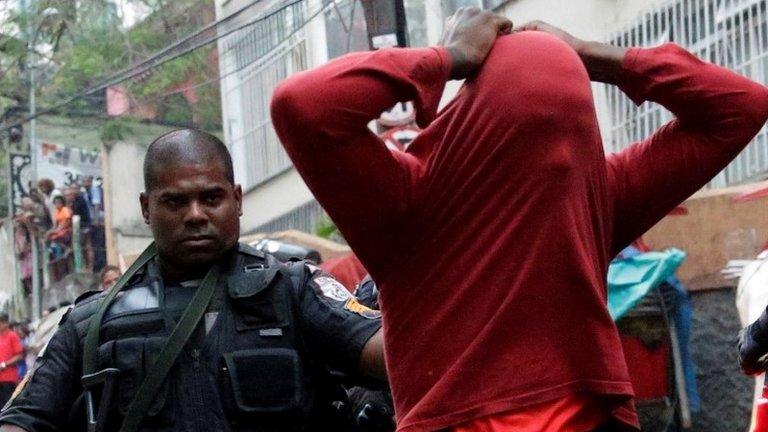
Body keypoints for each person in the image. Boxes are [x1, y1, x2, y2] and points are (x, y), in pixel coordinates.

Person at [271, 7, 768, 431]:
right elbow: (738, 107)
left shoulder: (584, 197)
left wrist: (447, 59)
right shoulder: (591, 197)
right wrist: (601, 58)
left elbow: (303, 105)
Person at [0, 129, 385, 432]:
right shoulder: (92, 322)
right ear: (146, 208)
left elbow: (387, 355)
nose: (196, 214)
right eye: (175, 202)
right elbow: (25, 418)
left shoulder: (293, 289)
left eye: (211, 198)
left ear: (237, 199)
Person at [65, 185, 95, 272]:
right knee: (85, 247)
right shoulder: (77, 200)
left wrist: (69, 204)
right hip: (81, 226)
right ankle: (86, 266)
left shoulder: (79, 200)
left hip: (83, 226)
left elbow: (72, 212)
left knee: (85, 246)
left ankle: (88, 267)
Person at [0, 314, 23, 408]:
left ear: (5, 323)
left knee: (7, 405)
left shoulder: (12, 336)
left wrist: (4, 364)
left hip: (8, 378)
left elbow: (19, 355)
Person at [45, 195, 72, 260]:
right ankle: (50, 250)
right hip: (59, 229)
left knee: (55, 237)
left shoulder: (65, 210)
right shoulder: (57, 212)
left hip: (66, 229)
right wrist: (51, 230)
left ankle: (67, 248)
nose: (57, 204)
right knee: (48, 235)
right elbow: (56, 224)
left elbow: (67, 222)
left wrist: (58, 230)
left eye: (59, 202)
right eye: (56, 203)